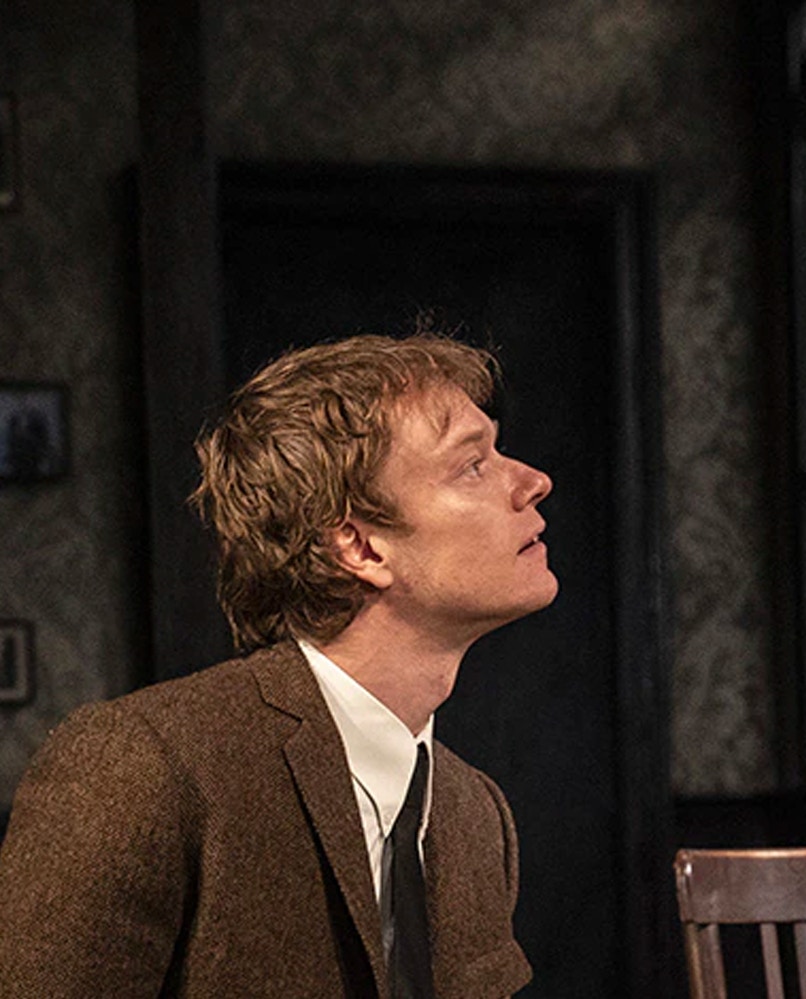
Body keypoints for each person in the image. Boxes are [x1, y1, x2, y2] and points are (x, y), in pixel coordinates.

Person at [0, 332, 553, 998]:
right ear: (360, 545)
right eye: (472, 464)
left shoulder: (474, 812)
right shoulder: (145, 763)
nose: (532, 481)